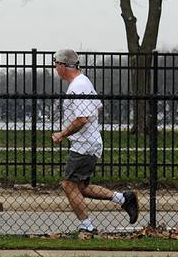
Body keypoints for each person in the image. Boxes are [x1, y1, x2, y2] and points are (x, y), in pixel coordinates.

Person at [50, 48, 139, 237]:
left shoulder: (78, 86)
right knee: (81, 187)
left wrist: (62, 134)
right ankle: (124, 198)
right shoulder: (83, 81)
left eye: (56, 64)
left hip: (84, 144)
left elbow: (82, 119)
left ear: (64, 65)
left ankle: (87, 226)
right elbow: (97, 108)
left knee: (68, 185)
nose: (55, 68)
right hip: (88, 142)